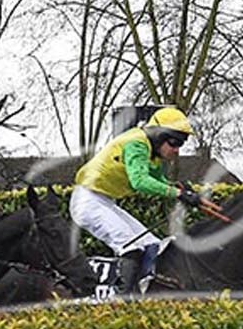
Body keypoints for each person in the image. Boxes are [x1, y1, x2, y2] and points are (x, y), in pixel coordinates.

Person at [70, 105, 200, 293]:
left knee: (152, 245)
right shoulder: (136, 143)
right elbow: (139, 181)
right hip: (88, 202)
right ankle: (122, 299)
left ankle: (145, 291)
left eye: (181, 144)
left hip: (105, 201)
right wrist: (178, 194)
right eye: (174, 143)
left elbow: (158, 181)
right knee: (130, 247)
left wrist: (179, 188)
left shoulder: (152, 153)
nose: (177, 150)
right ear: (159, 135)